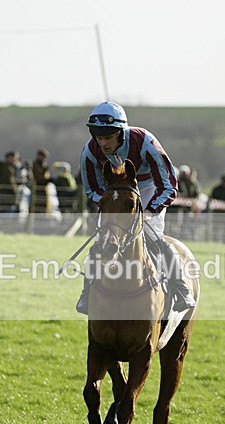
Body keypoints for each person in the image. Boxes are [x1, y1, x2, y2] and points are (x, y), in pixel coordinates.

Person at [77, 101, 195, 314]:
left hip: (149, 188)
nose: (102, 144)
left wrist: (149, 211)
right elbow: (92, 189)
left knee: (153, 236)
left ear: (121, 133)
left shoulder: (144, 142)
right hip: (116, 194)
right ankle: (87, 293)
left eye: (107, 137)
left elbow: (168, 184)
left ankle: (180, 288)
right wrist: (114, 208)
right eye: (98, 137)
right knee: (100, 239)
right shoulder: (90, 152)